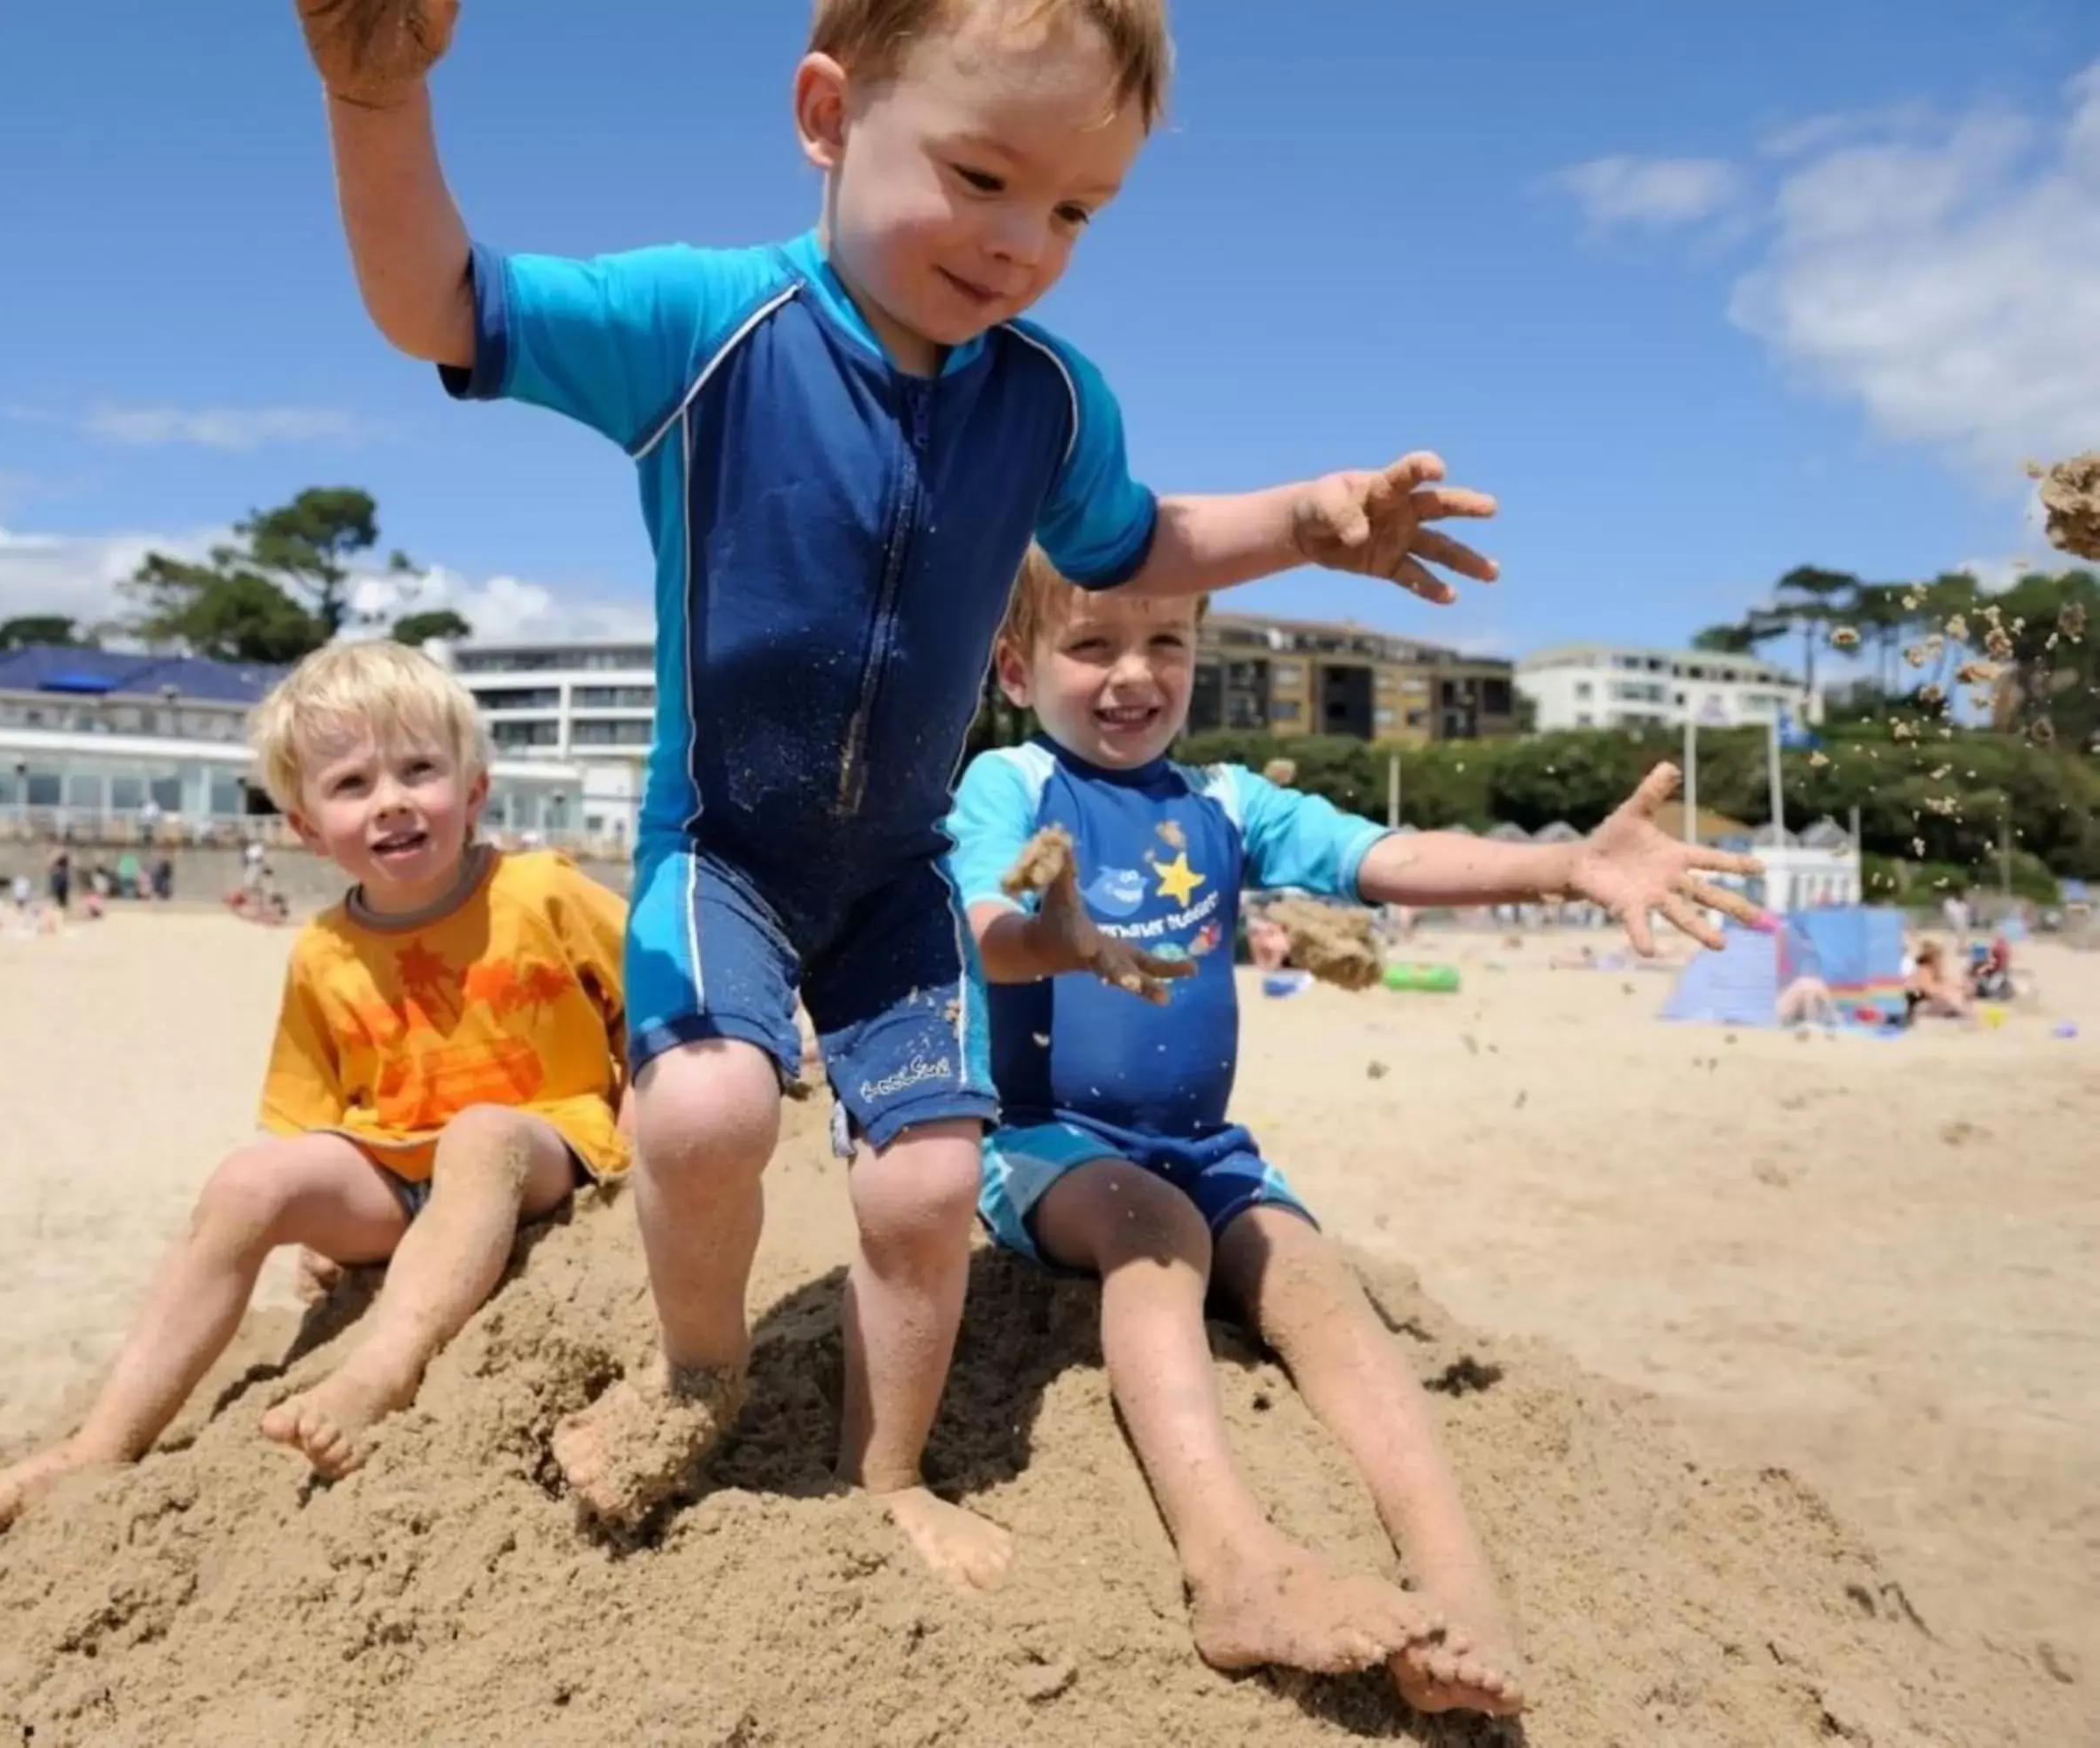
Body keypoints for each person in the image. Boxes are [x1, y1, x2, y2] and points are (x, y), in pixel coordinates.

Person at [291, 0, 1505, 1585]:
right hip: (722, 844)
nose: (1022, 242)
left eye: (1074, 210)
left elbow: (1134, 544)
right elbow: (439, 303)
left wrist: (1310, 518)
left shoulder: (1048, 403)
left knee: (931, 1177)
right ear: (826, 114)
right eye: (983, 174)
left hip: (894, 866)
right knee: (713, 1104)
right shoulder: (708, 325)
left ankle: (891, 1471)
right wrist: (376, 99)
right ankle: (697, 1375)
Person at [941, 548, 1765, 1712]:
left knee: (1317, 1282)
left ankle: (1455, 1579)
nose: (1134, 674)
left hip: (1201, 1140)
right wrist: (1056, 940)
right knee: (1156, 1233)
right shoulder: (1011, 784)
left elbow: (1385, 857)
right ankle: (1229, 1561)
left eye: (1164, 643)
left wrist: (1566, 865)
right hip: (1045, 1138)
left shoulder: (1225, 803)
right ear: (1019, 671)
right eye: (1093, 647)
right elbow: (983, 922)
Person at [0, 641, 631, 1540]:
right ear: (306, 828)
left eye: (419, 769)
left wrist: (640, 1120)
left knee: (479, 1135)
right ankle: (99, 1444)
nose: (390, 801)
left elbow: (652, 1003)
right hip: (397, 1173)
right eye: (351, 785)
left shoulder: (541, 890)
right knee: (245, 1183)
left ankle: (383, 1368)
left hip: (539, 1145)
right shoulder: (323, 951)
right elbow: (324, 1113)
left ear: (474, 790)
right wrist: (315, 1232)